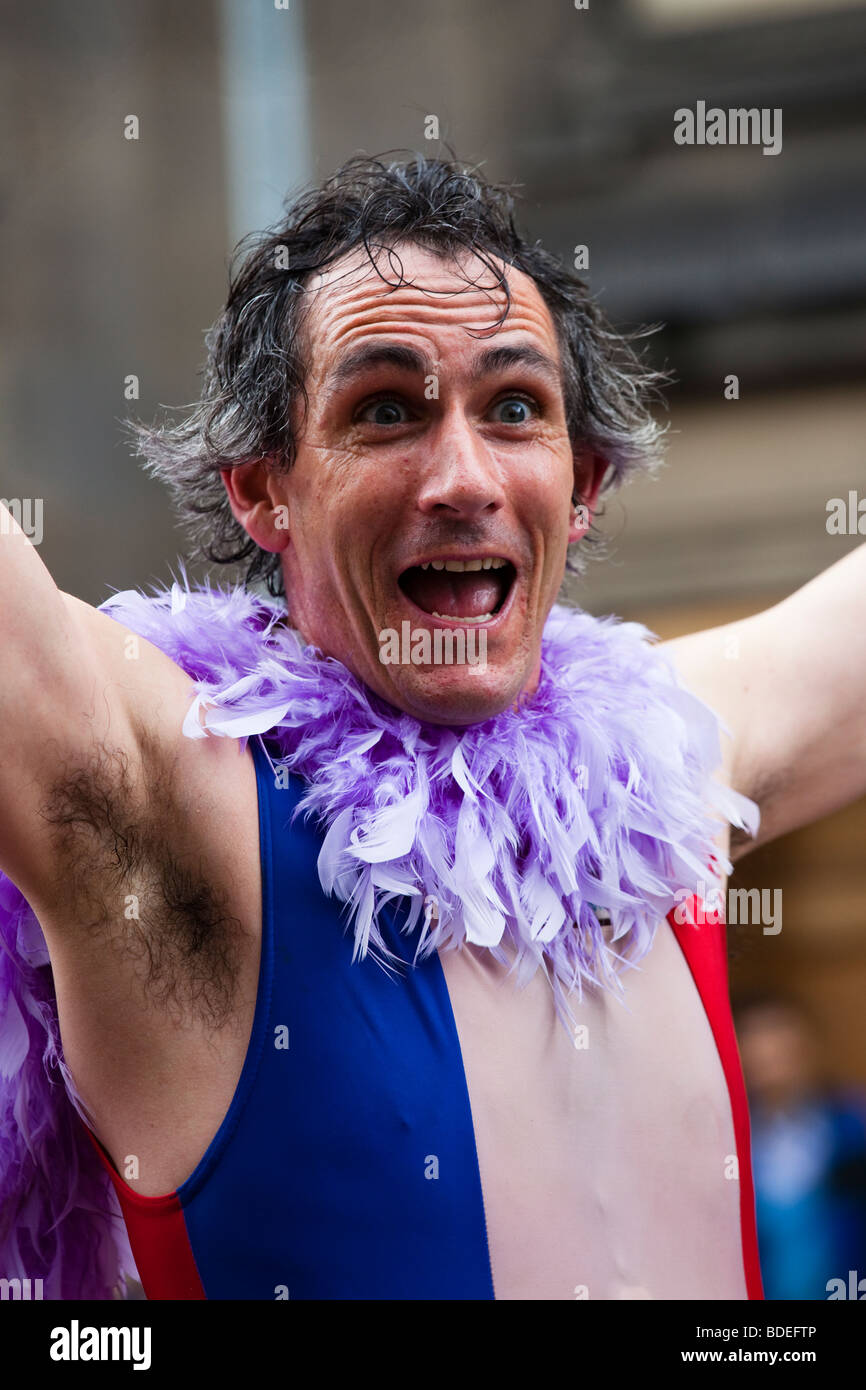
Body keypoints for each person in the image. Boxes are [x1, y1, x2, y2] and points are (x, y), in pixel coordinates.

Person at [0, 153, 863, 1301]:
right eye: (384, 410)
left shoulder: (673, 764)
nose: (462, 477)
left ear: (584, 480)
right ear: (264, 491)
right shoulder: (169, 799)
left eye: (514, 407)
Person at [737, 994, 866, 1300]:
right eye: (759, 1054)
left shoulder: (853, 1125)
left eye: (782, 1050)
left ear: (807, 1048)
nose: (772, 1065)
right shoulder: (728, 1143)